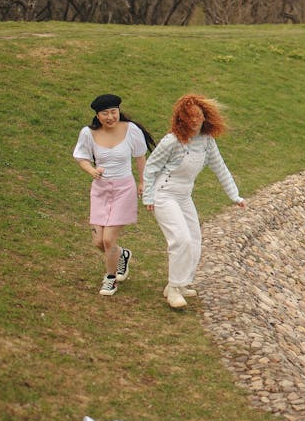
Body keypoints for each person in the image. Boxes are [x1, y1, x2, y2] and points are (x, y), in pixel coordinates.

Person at [143, 94, 246, 309]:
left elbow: (220, 168)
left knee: (195, 239)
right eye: (189, 117)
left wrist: (235, 196)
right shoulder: (172, 140)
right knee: (181, 240)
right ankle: (173, 289)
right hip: (164, 195)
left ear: (205, 116)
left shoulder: (207, 142)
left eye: (198, 116)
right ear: (181, 119)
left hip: (183, 196)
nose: (194, 121)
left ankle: (181, 283)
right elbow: (151, 167)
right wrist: (149, 196)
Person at [73, 93, 155, 296]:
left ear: (119, 111)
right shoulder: (88, 133)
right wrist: (91, 170)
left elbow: (140, 157)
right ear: (97, 116)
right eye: (105, 113)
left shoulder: (130, 130)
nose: (110, 117)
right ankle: (122, 255)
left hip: (123, 190)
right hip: (100, 191)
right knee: (98, 242)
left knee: (108, 240)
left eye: (113, 112)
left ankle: (110, 279)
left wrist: (143, 182)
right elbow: (82, 157)